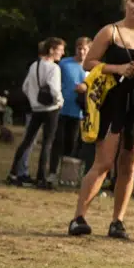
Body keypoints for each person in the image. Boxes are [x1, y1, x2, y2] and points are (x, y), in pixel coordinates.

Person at [69, 0, 134, 240]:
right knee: (103, 162)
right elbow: (89, 63)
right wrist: (117, 68)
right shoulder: (111, 31)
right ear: (126, 1)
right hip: (112, 102)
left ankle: (117, 221)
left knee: (130, 163)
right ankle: (79, 218)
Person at [9, 38, 65, 187]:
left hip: (36, 109)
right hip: (50, 109)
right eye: (60, 49)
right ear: (52, 50)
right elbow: (54, 89)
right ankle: (41, 177)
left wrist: (34, 100)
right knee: (47, 143)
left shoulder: (35, 65)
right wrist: (60, 101)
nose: (62, 53)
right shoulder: (54, 68)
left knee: (27, 140)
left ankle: (13, 172)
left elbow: (25, 87)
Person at [54, 36, 91, 176]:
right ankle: (54, 170)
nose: (81, 52)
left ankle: (69, 174)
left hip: (81, 113)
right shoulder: (64, 63)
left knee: (74, 144)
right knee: (58, 142)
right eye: (79, 48)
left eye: (85, 49)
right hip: (62, 109)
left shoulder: (94, 67)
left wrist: (86, 88)